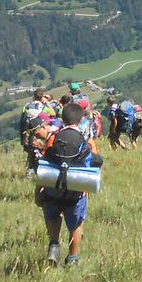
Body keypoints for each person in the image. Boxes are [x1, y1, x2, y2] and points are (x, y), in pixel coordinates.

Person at [35, 102, 98, 267]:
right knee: (76, 225)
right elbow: (92, 162)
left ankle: (54, 245)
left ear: (62, 119)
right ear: (81, 119)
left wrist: (38, 191)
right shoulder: (84, 141)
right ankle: (73, 259)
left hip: (53, 188)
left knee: (54, 216)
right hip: (75, 192)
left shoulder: (54, 138)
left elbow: (44, 165)